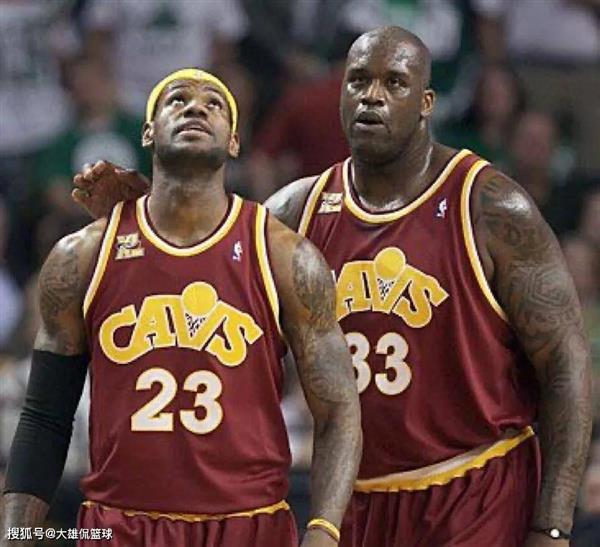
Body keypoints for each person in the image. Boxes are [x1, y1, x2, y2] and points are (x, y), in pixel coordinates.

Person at [69, 26, 592, 547]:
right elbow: (201, 280)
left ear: (427, 102)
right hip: (351, 502)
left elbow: (566, 365)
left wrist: (552, 524)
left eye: (394, 83)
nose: (372, 96)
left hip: (475, 491)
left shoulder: (489, 206)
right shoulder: (296, 211)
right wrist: (140, 213)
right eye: (358, 81)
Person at [0, 68, 362, 547]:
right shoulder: (82, 255)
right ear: (148, 132)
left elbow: (338, 410)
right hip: (119, 527)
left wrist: (323, 531)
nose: (195, 107)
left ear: (235, 142)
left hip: (248, 525)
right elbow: (45, 415)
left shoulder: (283, 255)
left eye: (214, 104)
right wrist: (17, 533)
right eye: (177, 100)